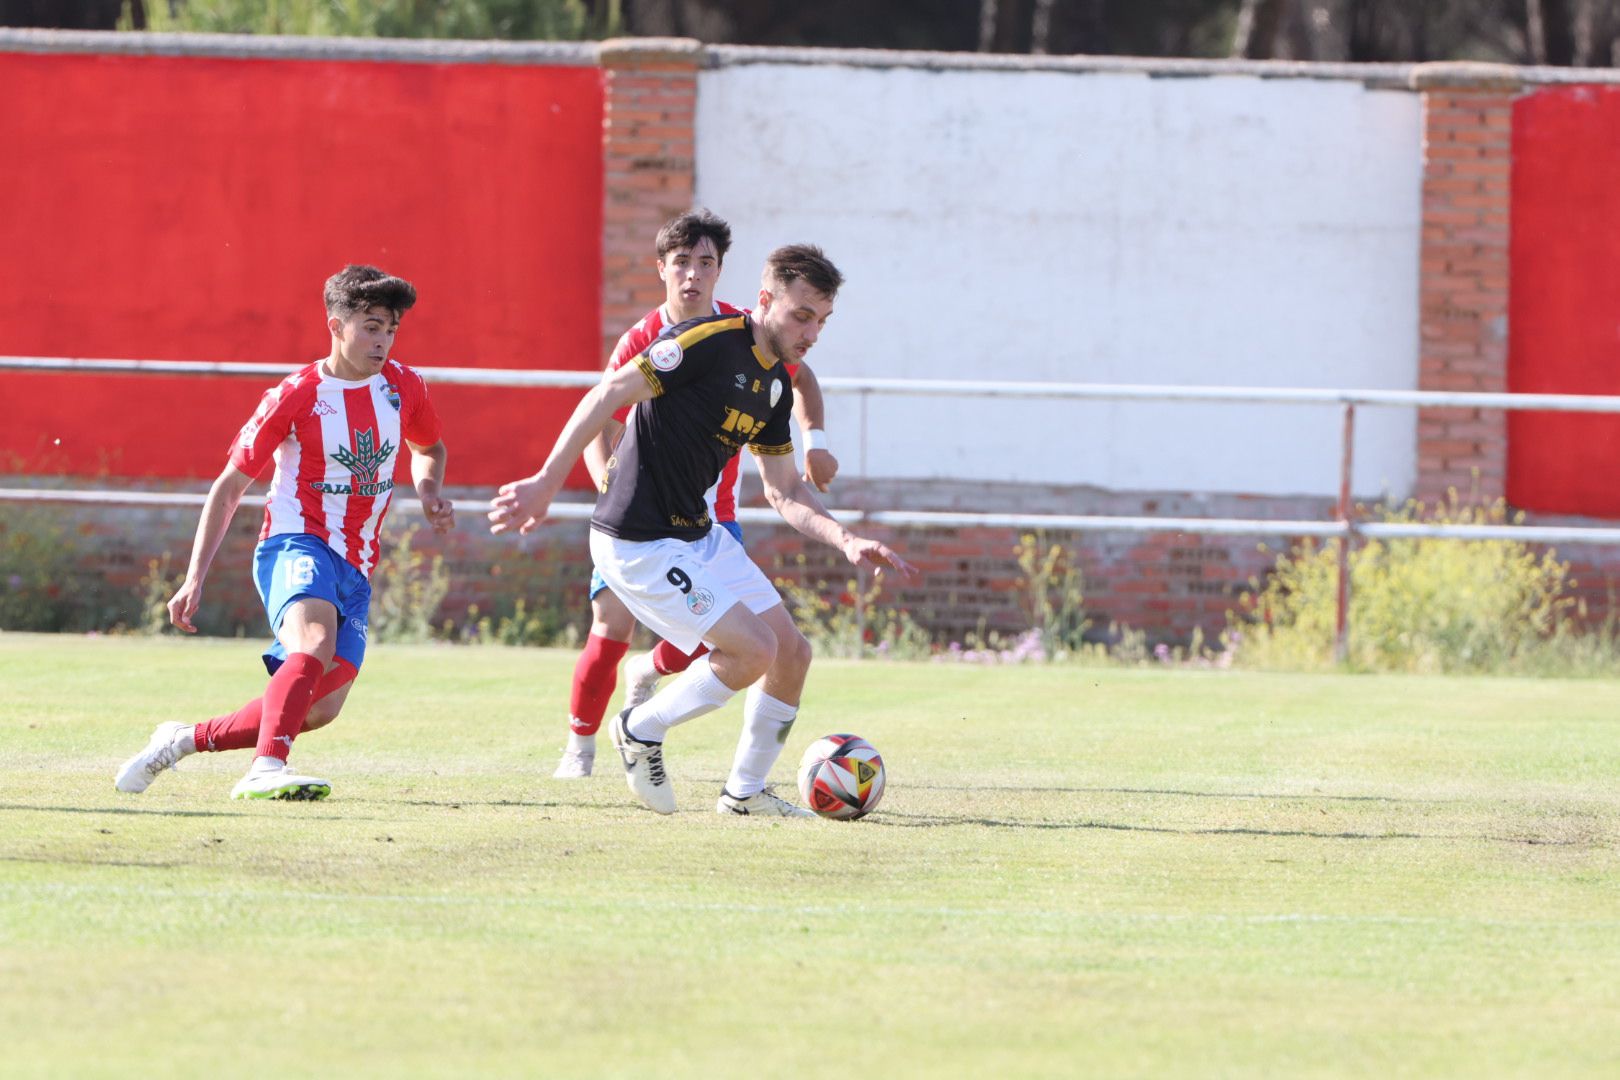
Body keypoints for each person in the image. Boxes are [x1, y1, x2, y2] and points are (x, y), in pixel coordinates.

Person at [490, 244, 915, 817]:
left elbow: (784, 490)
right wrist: (546, 480)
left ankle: (744, 794)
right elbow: (609, 392)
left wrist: (846, 538)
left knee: (792, 652)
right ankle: (640, 727)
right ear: (766, 300)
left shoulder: (774, 388)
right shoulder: (707, 342)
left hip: (697, 534)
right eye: (801, 315)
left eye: (822, 320)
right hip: (636, 540)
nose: (812, 332)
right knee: (753, 651)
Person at [114, 264, 454, 800]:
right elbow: (230, 487)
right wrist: (193, 578)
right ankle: (266, 768)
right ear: (335, 325)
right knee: (313, 642)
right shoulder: (296, 395)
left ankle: (179, 741)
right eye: (370, 326)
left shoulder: (404, 386)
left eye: (390, 329)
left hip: (358, 561)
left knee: (318, 708)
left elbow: (428, 446)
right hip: (296, 542)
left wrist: (430, 489)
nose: (382, 341)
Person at [554, 209, 840, 779]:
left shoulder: (751, 327)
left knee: (738, 643)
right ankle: (579, 749)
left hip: (714, 516)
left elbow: (797, 379)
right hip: (640, 519)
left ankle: (729, 771)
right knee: (611, 627)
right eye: (681, 262)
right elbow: (603, 407)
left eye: (705, 263)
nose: (693, 275)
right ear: (661, 269)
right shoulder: (644, 338)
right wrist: (610, 486)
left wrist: (816, 440)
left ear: (720, 272)